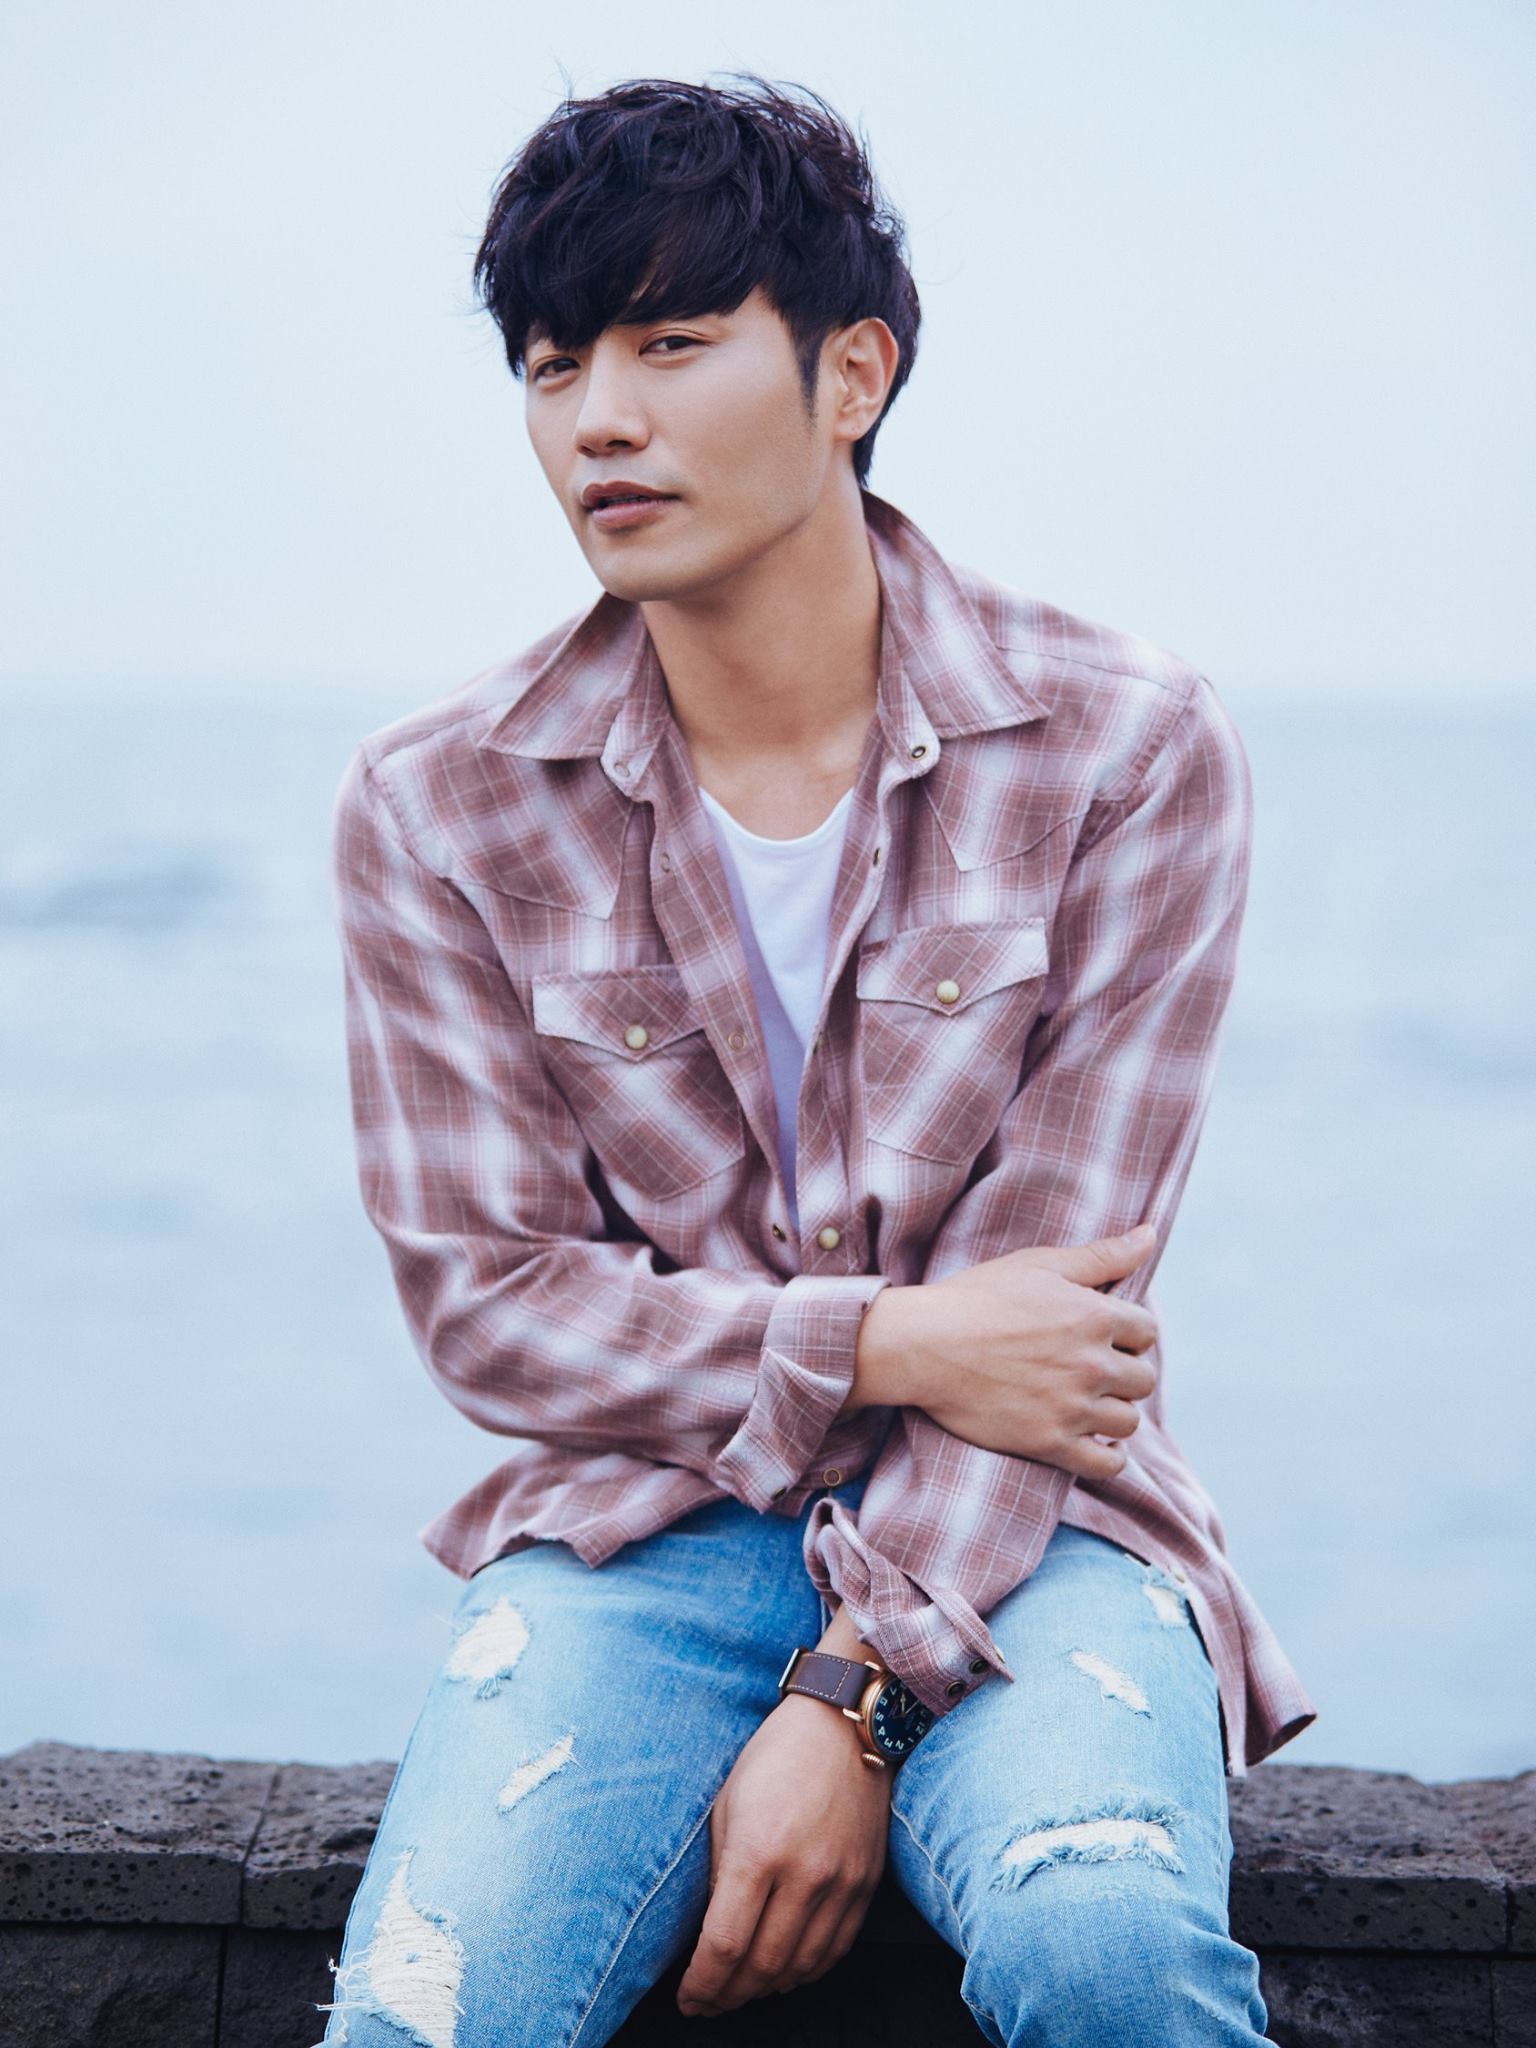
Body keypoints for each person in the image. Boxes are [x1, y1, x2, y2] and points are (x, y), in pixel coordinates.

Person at [315, 73, 1315, 2048]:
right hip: (643, 1531)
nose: (598, 419)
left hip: (1031, 1525)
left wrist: (854, 1695)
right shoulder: (440, 806)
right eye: (551, 366)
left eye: (670, 344)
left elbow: (1056, 1340)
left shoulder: (1122, 748)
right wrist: (891, 1337)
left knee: (1106, 1949)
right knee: (426, 2012)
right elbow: (496, 1312)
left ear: (852, 371)